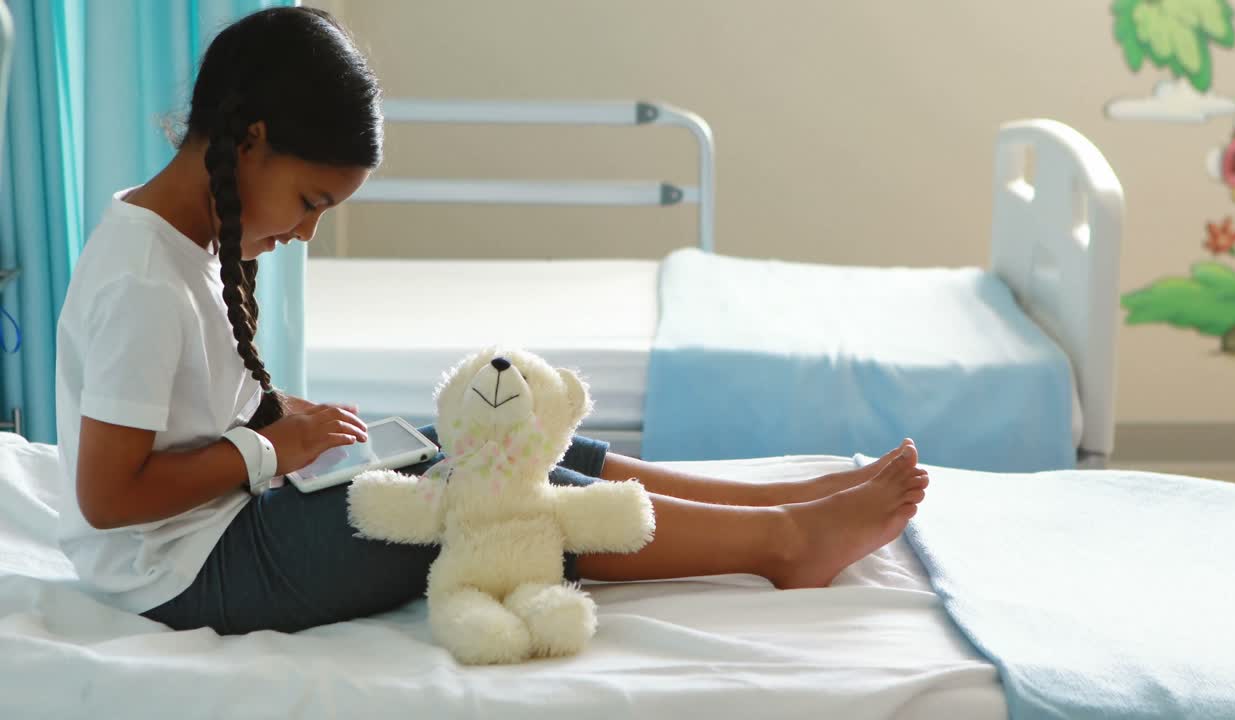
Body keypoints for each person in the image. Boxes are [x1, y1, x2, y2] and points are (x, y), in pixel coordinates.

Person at [53, 6, 930, 636]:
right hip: (187, 574)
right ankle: (780, 545)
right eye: (311, 201)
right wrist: (270, 449)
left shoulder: (186, 242)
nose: (307, 230)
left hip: (231, 522)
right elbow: (107, 498)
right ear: (251, 139)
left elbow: (183, 424)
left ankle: (776, 502)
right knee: (486, 488)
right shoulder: (144, 277)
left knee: (487, 430)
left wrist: (289, 433)